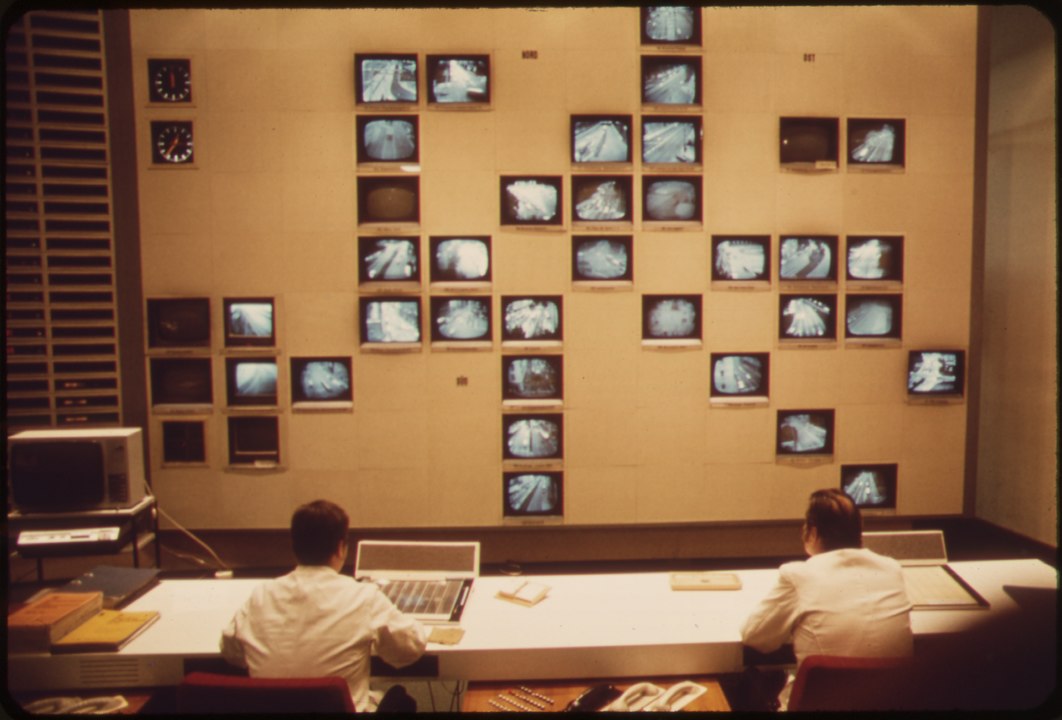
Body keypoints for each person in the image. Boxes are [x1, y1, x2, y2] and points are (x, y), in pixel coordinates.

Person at [220, 500, 427, 712]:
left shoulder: (260, 596)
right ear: (340, 548)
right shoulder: (362, 597)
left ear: (294, 546)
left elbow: (231, 652)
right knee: (401, 701)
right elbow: (409, 649)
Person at [738, 488, 913, 710]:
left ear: (812, 532)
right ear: (859, 532)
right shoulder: (892, 569)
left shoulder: (798, 575)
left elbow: (755, 637)